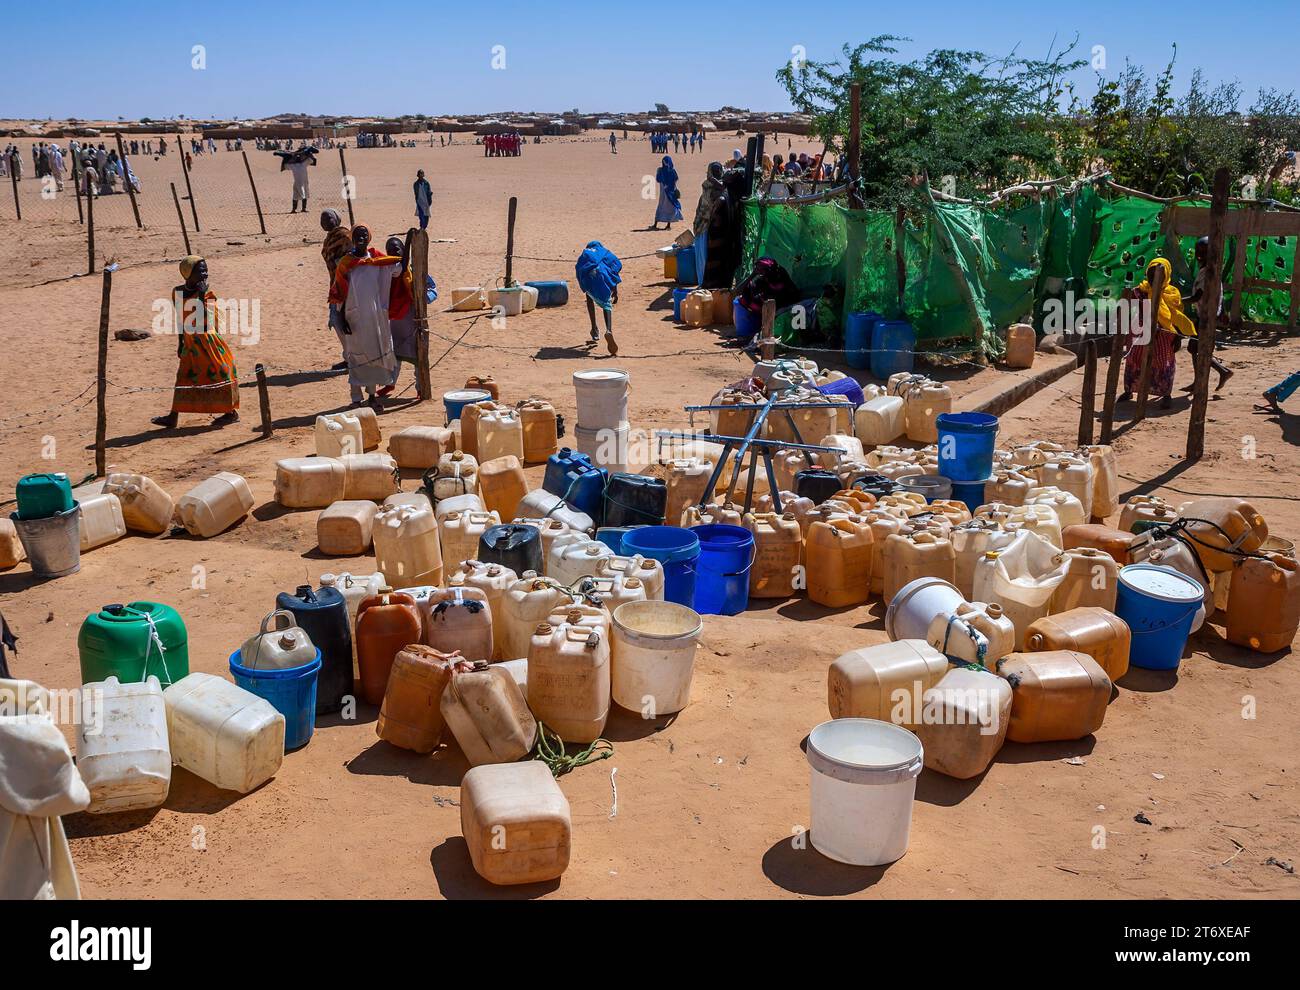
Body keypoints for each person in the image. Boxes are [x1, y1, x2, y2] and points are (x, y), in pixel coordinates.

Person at [151, 256, 240, 429]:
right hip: (190, 342)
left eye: (206, 270)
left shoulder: (208, 294)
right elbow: (179, 318)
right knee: (183, 377)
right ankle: (173, 416)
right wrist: (180, 341)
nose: (205, 274)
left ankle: (231, 413)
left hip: (209, 341)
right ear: (187, 273)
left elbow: (202, 321)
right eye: (200, 271)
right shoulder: (177, 292)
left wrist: (200, 295)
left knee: (222, 372)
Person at [329, 225, 400, 409]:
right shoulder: (346, 264)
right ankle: (355, 398)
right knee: (355, 357)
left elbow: (397, 269)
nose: (361, 238)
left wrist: (406, 249)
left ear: (369, 237)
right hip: (353, 318)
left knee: (373, 356)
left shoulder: (377, 260)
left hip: (375, 317)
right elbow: (338, 293)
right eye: (357, 235)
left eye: (364, 235)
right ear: (352, 238)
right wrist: (341, 317)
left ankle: (371, 397)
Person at [1118, 257, 1195, 409]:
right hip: (1140, 332)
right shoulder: (1140, 291)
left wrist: (1178, 336)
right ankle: (1129, 390)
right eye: (1151, 275)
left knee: (1163, 362)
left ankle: (1166, 394)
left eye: (1159, 276)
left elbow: (1177, 315)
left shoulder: (1172, 294)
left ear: (1166, 276)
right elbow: (1125, 304)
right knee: (1134, 360)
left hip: (1163, 334)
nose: (1154, 279)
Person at [1182, 236, 1233, 393]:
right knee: (1194, 348)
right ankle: (1213, 375)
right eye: (1199, 252)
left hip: (1206, 317)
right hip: (1203, 315)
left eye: (1202, 253)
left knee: (1198, 348)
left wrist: (1174, 301)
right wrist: (1223, 310)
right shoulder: (1207, 270)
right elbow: (1220, 292)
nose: (1199, 256)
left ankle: (1219, 373)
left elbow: (1197, 296)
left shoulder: (1209, 272)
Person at [693, 162, 738, 289]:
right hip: (704, 226)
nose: (718, 174)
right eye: (716, 171)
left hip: (712, 228)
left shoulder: (722, 188)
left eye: (719, 171)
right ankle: (703, 284)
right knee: (704, 257)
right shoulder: (709, 187)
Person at [576, 241, 621, 356]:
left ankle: (594, 329)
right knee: (607, 304)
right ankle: (608, 330)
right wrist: (615, 290)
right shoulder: (605, 252)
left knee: (589, 297)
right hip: (603, 275)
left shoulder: (586, 254)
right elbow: (615, 268)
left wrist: (584, 285)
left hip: (589, 278)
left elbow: (579, 268)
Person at [651, 156, 682, 231]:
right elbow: (658, 179)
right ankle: (655, 224)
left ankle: (668, 225)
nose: (665, 163)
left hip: (670, 192)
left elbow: (675, 180)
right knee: (661, 205)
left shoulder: (672, 171)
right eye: (664, 161)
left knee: (670, 207)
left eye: (666, 161)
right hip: (663, 192)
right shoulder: (660, 170)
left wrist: (671, 186)